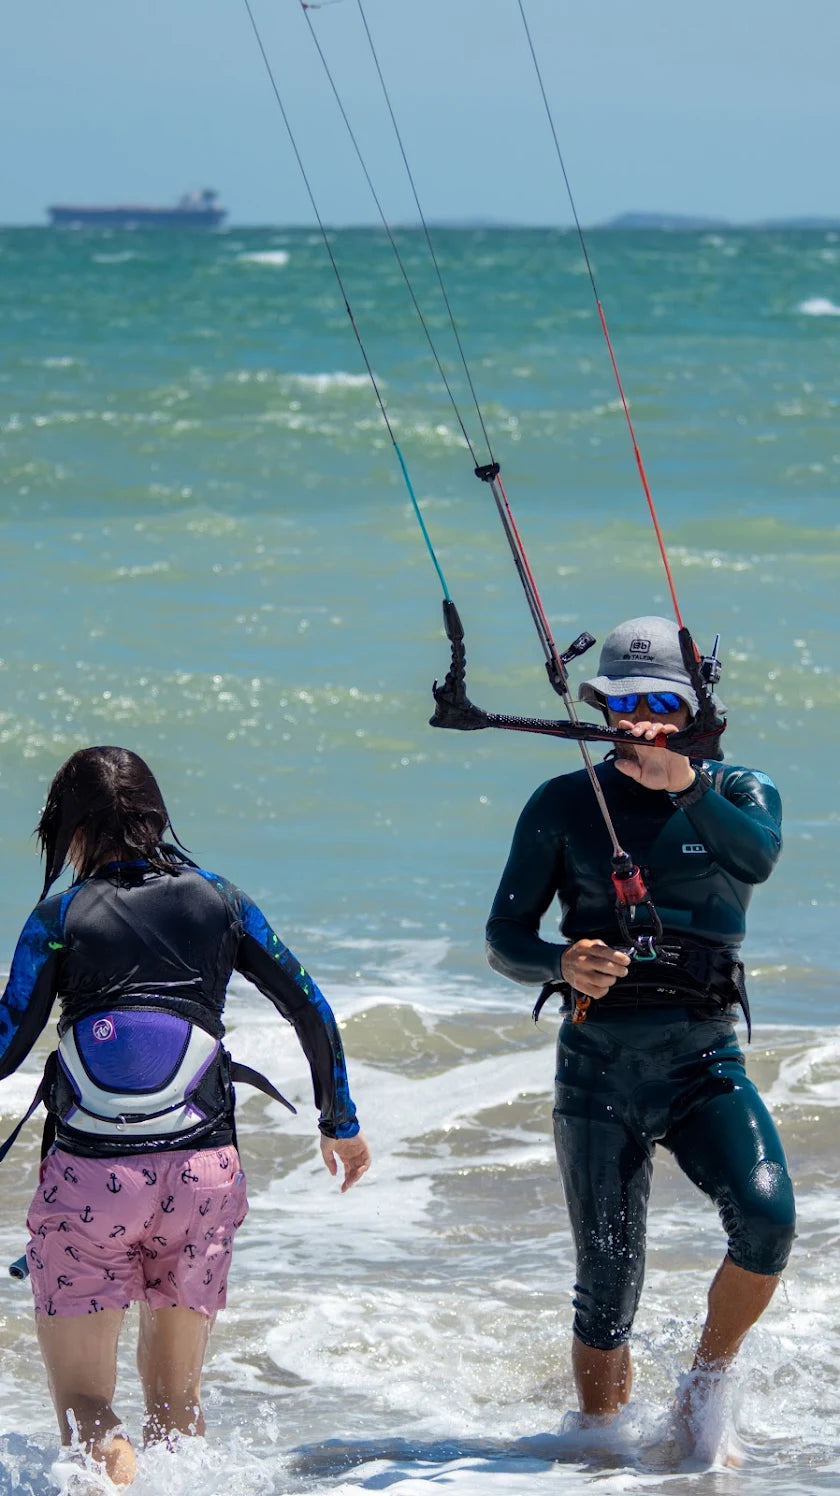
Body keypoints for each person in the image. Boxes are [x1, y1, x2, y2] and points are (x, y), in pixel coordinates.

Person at [0, 745, 370, 1489]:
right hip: (202, 1174)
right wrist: (340, 1120)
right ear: (157, 814)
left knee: (86, 1410)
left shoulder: (60, 916)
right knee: (176, 1408)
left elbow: (7, 1046)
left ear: (67, 827)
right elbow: (309, 1004)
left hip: (91, 1181)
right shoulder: (219, 899)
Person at [485, 615, 794, 1446]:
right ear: (598, 705)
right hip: (598, 1071)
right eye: (620, 701)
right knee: (609, 1280)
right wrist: (561, 962)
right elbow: (504, 937)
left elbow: (757, 858)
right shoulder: (562, 803)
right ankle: (599, 1452)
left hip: (705, 1065)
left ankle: (705, 1382)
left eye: (660, 700)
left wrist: (683, 782)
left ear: (694, 704)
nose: (640, 718)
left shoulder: (739, 791)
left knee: (768, 1223)